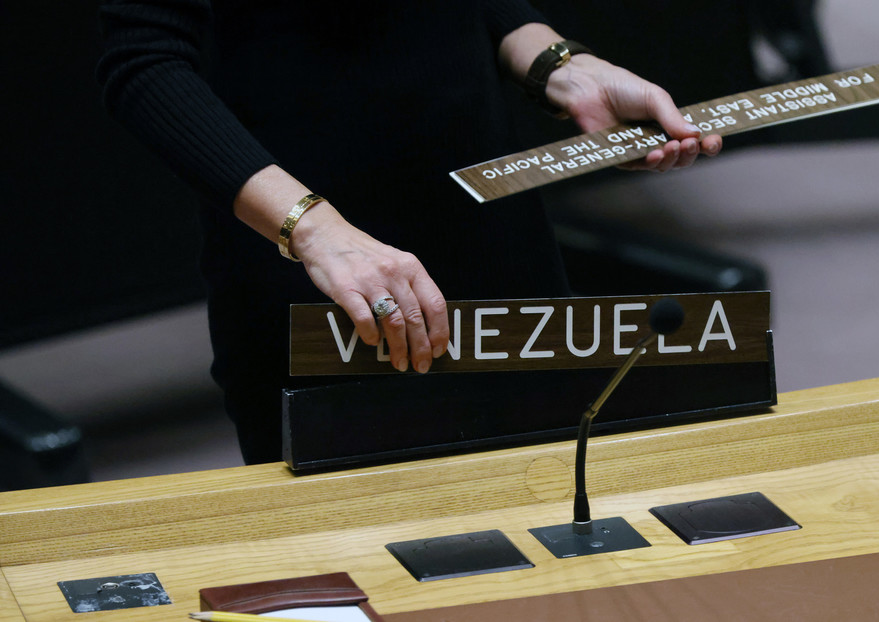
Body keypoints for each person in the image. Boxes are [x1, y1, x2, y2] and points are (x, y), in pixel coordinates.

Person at [97, 1, 723, 464]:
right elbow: (144, 60)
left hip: (493, 231)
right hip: (317, 265)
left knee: (547, 515)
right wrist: (314, 230)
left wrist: (561, 66)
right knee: (345, 558)